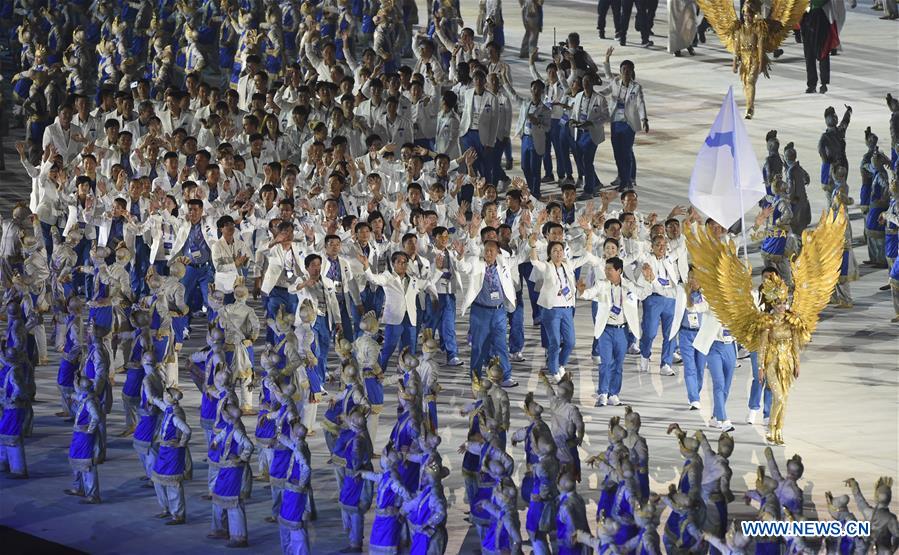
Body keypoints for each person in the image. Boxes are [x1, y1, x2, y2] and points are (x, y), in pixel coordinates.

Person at [579, 256, 640, 407]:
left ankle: (613, 394)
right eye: (605, 269)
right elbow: (589, 293)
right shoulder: (601, 284)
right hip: (606, 330)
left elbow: (643, 293)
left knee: (618, 364)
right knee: (605, 363)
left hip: (622, 331)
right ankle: (603, 393)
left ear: (619, 271)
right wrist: (582, 291)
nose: (606, 272)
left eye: (609, 269)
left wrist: (649, 280)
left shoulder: (629, 286)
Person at [458, 239, 518, 387]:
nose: (488, 253)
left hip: (499, 312)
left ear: (498, 252)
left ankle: (506, 376)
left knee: (501, 345)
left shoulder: (503, 263)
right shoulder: (476, 262)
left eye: (492, 250)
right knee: (479, 346)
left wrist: (531, 243)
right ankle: (476, 376)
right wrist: (460, 257)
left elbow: (521, 257)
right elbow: (464, 268)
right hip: (480, 312)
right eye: (486, 250)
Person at [600, 48, 649, 191]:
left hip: (629, 124)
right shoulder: (615, 82)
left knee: (626, 152)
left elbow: (641, 103)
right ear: (620, 71)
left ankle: (627, 180)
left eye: (628, 70)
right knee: (617, 152)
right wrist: (607, 59)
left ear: (632, 71)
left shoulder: (636, 87)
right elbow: (607, 78)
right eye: (623, 69)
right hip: (616, 122)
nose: (626, 72)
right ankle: (622, 176)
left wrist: (644, 119)